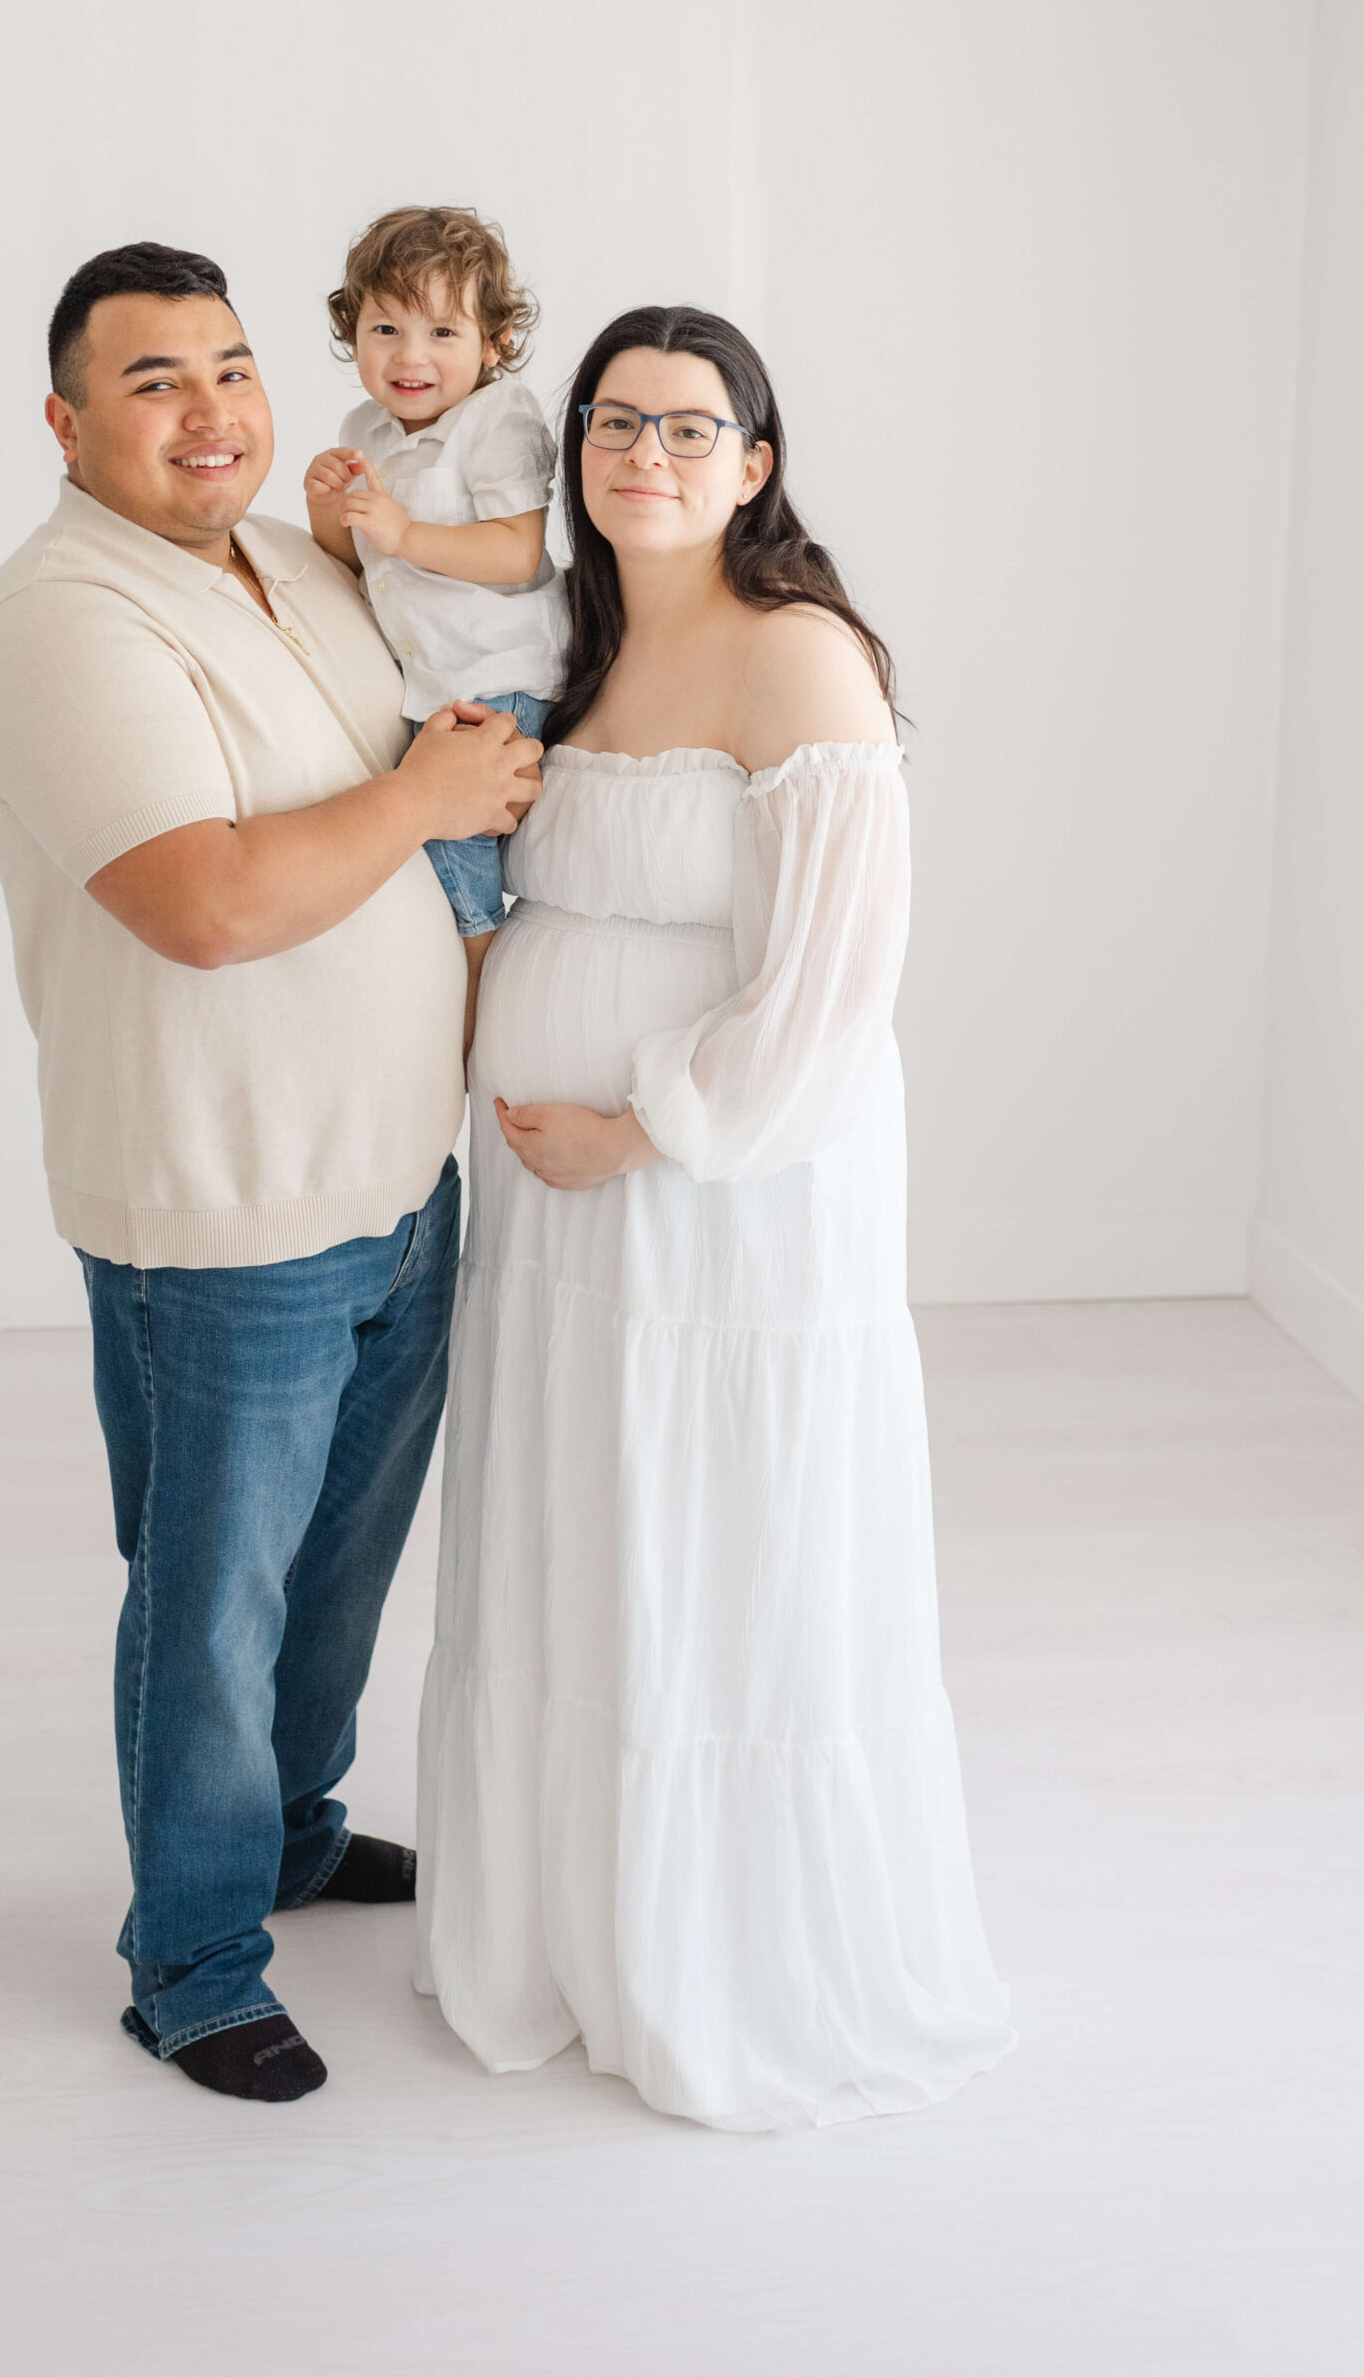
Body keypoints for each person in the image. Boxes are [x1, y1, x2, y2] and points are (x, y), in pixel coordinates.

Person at [415, 304, 1016, 2130]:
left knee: (704, 1543)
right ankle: (569, 1927)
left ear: (753, 466)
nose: (639, 457)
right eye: (610, 422)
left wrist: (648, 1127)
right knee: (582, 1530)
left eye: (686, 430)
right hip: (555, 1224)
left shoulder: (797, 660)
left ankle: (714, 1949)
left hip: (714, 1210)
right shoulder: (569, 654)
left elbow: (834, 984)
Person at [0, 241, 542, 2104]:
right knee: (209, 1604)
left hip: (391, 1182)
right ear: (66, 422)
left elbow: (438, 730)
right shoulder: (63, 617)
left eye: (228, 367)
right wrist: (431, 800)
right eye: (152, 382)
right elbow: (205, 906)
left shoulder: (291, 561)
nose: (210, 412)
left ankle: (289, 1831)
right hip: (224, 1211)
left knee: (337, 1576)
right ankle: (192, 1958)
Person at [304, 207, 565, 1050]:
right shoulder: (363, 433)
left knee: (457, 864)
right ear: (354, 336)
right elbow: (355, 564)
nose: (409, 355)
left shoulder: (499, 422)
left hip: (495, 673)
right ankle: (447, 998)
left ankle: (478, 1017)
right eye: (385, 327)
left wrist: (403, 531)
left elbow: (518, 552)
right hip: (426, 682)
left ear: (491, 343)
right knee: (417, 871)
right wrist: (327, 511)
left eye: (442, 331)